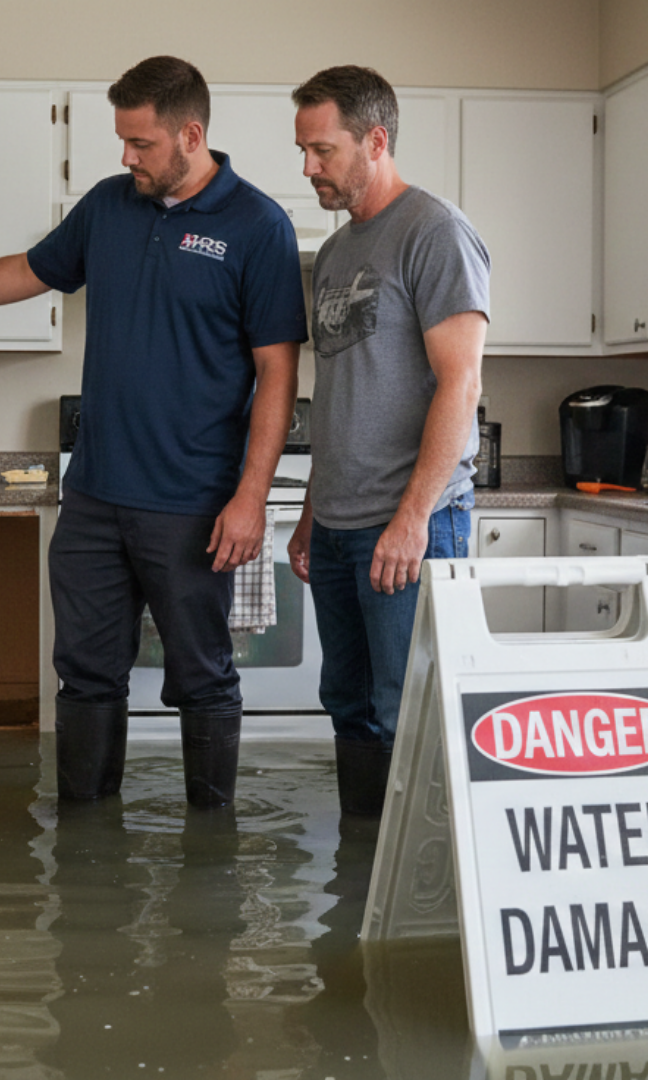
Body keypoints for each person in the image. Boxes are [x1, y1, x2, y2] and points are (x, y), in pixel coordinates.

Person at [0, 56, 308, 808]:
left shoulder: (257, 226)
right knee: (86, 673)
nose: (126, 157)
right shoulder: (108, 206)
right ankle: (88, 846)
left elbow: (278, 374)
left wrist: (250, 497)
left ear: (191, 134)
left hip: (194, 503)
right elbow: (29, 272)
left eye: (141, 143)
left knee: (202, 676)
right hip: (96, 498)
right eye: (122, 141)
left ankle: (210, 855)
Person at [288, 66, 490, 817]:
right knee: (348, 701)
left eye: (323, 150)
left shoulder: (435, 232)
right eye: (303, 151)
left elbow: (459, 385)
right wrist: (313, 510)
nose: (309, 167)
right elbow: (343, 395)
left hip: (411, 523)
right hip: (341, 524)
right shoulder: (339, 252)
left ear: (376, 140)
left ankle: (426, 895)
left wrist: (411, 519)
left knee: (409, 706)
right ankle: (364, 874)